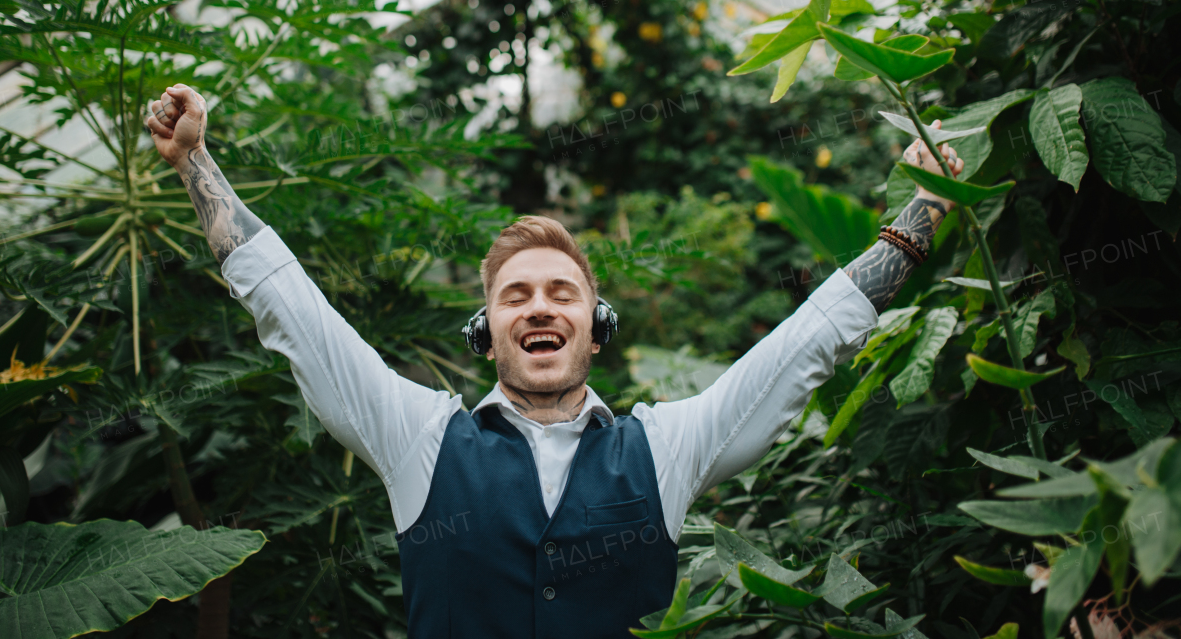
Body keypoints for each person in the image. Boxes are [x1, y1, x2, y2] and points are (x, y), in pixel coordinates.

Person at [145, 83, 965, 639]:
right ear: (487, 331)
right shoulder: (416, 439)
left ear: (595, 325)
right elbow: (296, 311)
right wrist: (195, 161)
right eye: (516, 296)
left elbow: (804, 343)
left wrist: (922, 214)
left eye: (563, 293)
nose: (540, 305)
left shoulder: (667, 447)